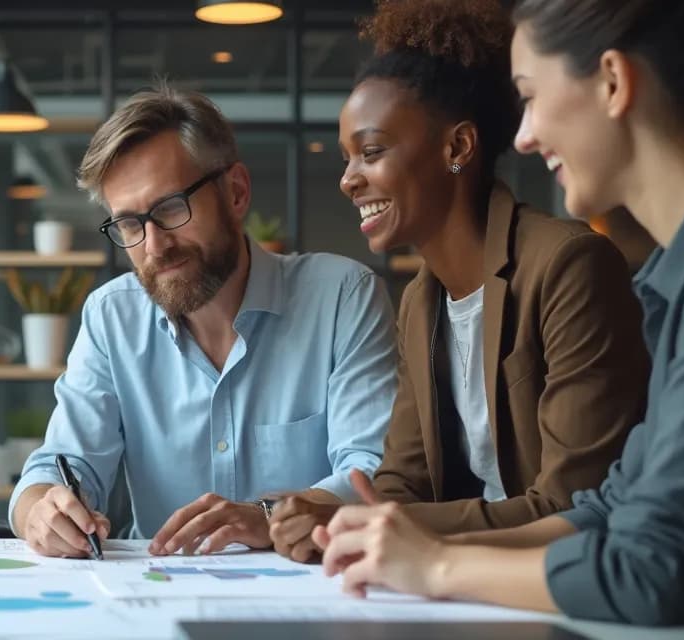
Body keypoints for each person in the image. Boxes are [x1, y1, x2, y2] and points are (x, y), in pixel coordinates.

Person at [312, 0, 684, 635]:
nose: (522, 137)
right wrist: (407, 547)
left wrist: (438, 566)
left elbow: (655, 568)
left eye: (530, 96)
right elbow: (608, 508)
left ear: (613, 82)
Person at [268, 0, 650, 564]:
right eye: (348, 158)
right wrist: (323, 520)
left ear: (458, 147)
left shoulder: (569, 265)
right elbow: (402, 485)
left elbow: (573, 506)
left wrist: (378, 522)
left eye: (371, 152)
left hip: (550, 579)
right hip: (457, 580)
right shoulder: (420, 302)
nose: (348, 180)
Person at [9, 85, 398, 558]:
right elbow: (60, 466)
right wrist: (40, 512)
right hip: (155, 590)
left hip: (312, 586)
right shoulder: (112, 317)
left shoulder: (342, 297)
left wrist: (269, 516)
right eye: (129, 224)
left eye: (172, 208)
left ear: (236, 193)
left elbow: (373, 472)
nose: (154, 246)